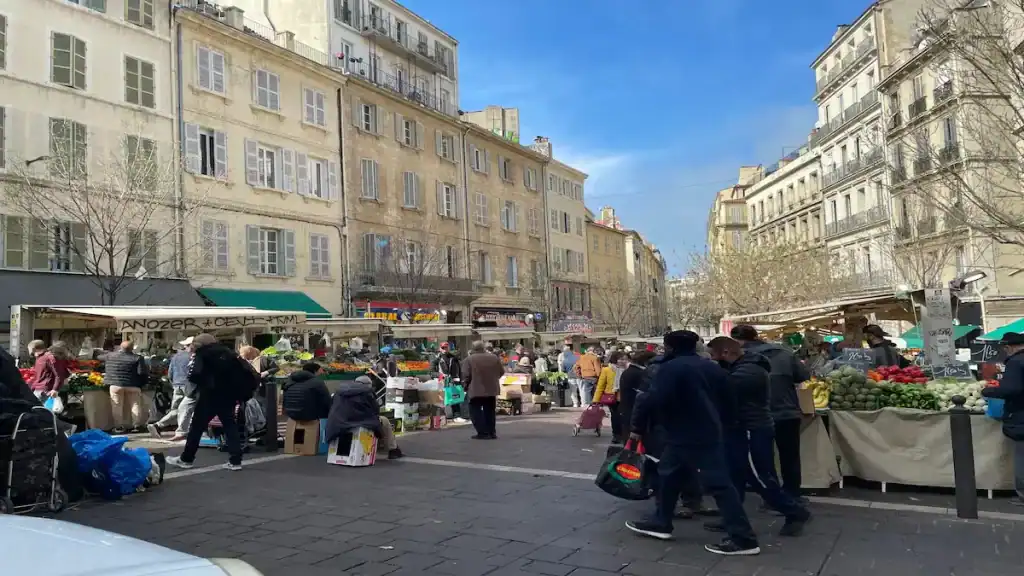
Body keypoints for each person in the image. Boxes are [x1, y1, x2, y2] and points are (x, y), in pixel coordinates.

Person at [626, 330, 759, 555]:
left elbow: (653, 399)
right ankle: (661, 521)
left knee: (718, 484)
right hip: (707, 431)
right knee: (668, 474)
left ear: (670, 347)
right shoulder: (712, 368)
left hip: (685, 432)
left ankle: (743, 538)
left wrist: (639, 428)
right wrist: (725, 424)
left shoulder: (669, 369)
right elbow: (729, 400)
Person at [707, 336, 812, 536]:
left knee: (759, 478)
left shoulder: (748, 372)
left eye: (713, 356)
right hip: (744, 429)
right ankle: (732, 517)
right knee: (735, 477)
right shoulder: (743, 367)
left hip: (751, 429)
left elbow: (722, 390)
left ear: (726, 353)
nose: (712, 360)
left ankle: (795, 511)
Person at [732, 324, 809, 503]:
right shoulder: (784, 352)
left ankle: (774, 498)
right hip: (788, 411)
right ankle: (792, 494)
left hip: (757, 415)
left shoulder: (741, 357)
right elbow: (803, 375)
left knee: (763, 459)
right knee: (790, 456)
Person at [166, 334, 251, 471]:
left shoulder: (203, 354)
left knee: (197, 427)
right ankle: (235, 460)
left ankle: (187, 458)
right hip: (228, 395)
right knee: (230, 425)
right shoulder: (229, 353)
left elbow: (194, 375)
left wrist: (203, 383)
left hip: (209, 395)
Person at [982, 332, 1024, 506]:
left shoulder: (1016, 362)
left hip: (1021, 415)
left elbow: (1011, 389)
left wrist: (988, 391)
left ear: (1009, 347)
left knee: (1022, 457)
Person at [325, 377, 403, 459]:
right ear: (368, 385)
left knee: (376, 421)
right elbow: (375, 410)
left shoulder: (339, 391)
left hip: (336, 423)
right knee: (384, 421)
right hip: (356, 422)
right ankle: (393, 449)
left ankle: (381, 446)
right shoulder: (367, 392)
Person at [148, 337, 196, 441]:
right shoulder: (194, 357)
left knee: (176, 409)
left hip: (177, 385)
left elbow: (170, 373)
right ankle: (183, 430)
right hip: (189, 386)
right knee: (188, 409)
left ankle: (158, 425)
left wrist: (173, 383)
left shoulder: (176, 357)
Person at [103, 341, 150, 434]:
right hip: (133, 385)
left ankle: (118, 427)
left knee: (116, 406)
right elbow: (142, 373)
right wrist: (143, 383)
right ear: (132, 348)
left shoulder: (110, 356)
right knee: (135, 405)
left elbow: (98, 357)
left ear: (120, 347)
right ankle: (136, 426)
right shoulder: (137, 358)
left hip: (115, 384)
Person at [461, 340, 503, 439]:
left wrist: (465, 386)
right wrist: (493, 380)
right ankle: (491, 432)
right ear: (483, 348)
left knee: (475, 411)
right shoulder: (494, 358)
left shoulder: (469, 359)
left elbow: (466, 376)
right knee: (490, 411)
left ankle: (483, 432)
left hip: (476, 390)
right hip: (491, 389)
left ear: (473, 349)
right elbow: (501, 372)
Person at [592, 351, 628, 443]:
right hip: (612, 397)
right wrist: (596, 400)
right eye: (620, 359)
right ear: (615, 359)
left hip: (625, 397)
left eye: (624, 359)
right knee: (615, 417)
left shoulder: (628, 369)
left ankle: (624, 435)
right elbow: (600, 385)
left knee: (624, 417)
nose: (623, 361)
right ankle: (616, 435)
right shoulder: (607, 370)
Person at [433, 342, 466, 423]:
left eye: (446, 348)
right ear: (440, 349)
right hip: (442, 382)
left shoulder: (454, 358)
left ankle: (457, 416)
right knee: (443, 400)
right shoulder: (437, 359)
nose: (445, 349)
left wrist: (461, 381)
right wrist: (441, 375)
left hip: (454, 381)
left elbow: (460, 370)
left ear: (449, 348)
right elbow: (431, 372)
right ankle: (444, 416)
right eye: (443, 348)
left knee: (455, 399)